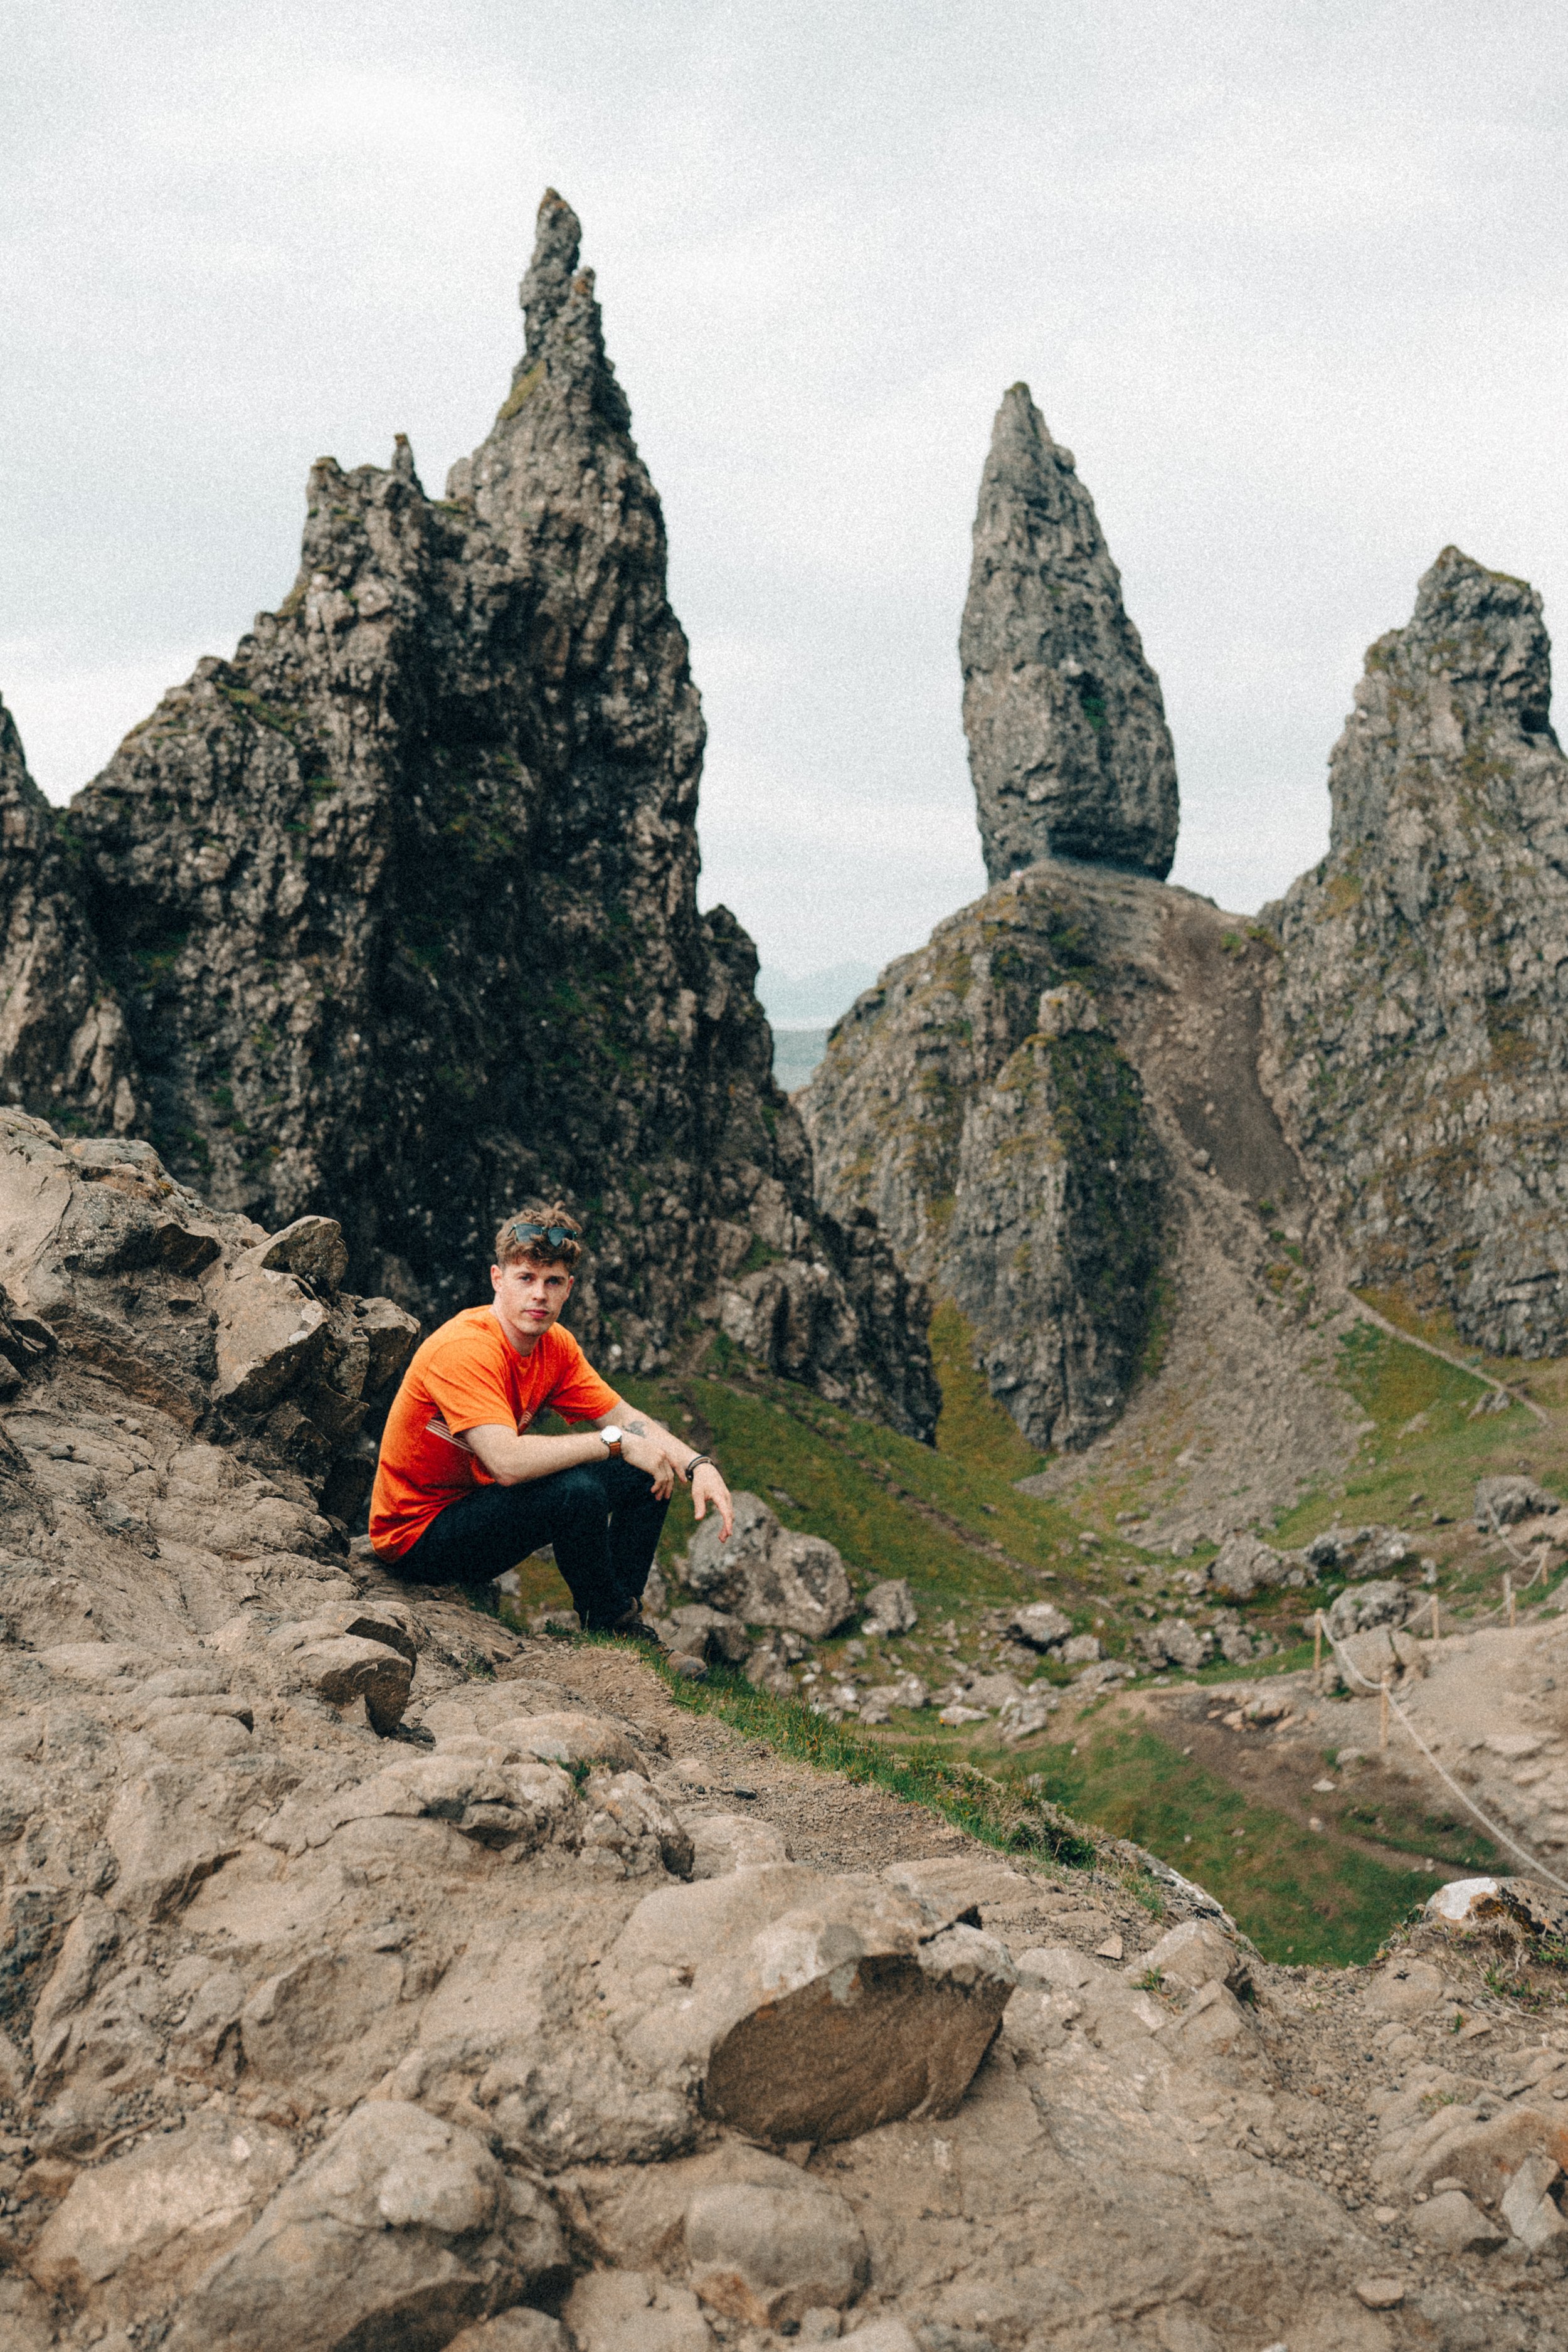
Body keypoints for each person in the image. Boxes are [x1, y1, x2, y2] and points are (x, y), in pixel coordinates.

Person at [368, 1204, 733, 1631]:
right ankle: (613, 1620)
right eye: (525, 1278)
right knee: (576, 1491)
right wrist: (615, 1442)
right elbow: (506, 1463)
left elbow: (623, 1416)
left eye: (552, 1281)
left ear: (568, 1289)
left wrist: (697, 1464)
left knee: (646, 1470)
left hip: (477, 1508)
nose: (539, 1294)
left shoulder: (554, 1346)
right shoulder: (465, 1349)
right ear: (497, 1280)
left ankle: (619, 1622)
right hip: (417, 1537)